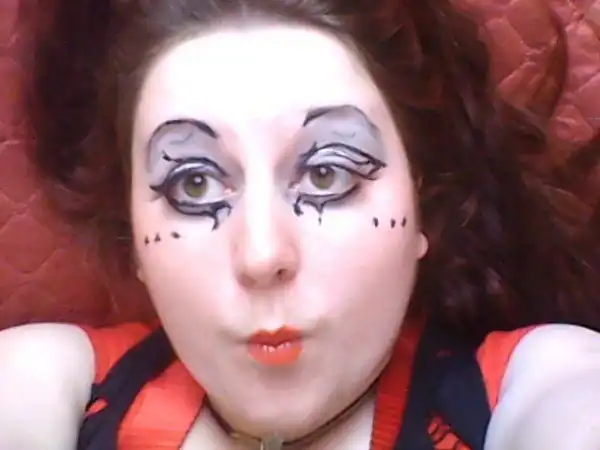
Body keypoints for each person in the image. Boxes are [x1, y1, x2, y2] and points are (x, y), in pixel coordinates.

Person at [3, 0, 600, 449]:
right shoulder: (55, 381)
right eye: (194, 184)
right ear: (132, 232)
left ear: (422, 200)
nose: (262, 256)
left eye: (326, 174)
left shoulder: (533, 384)